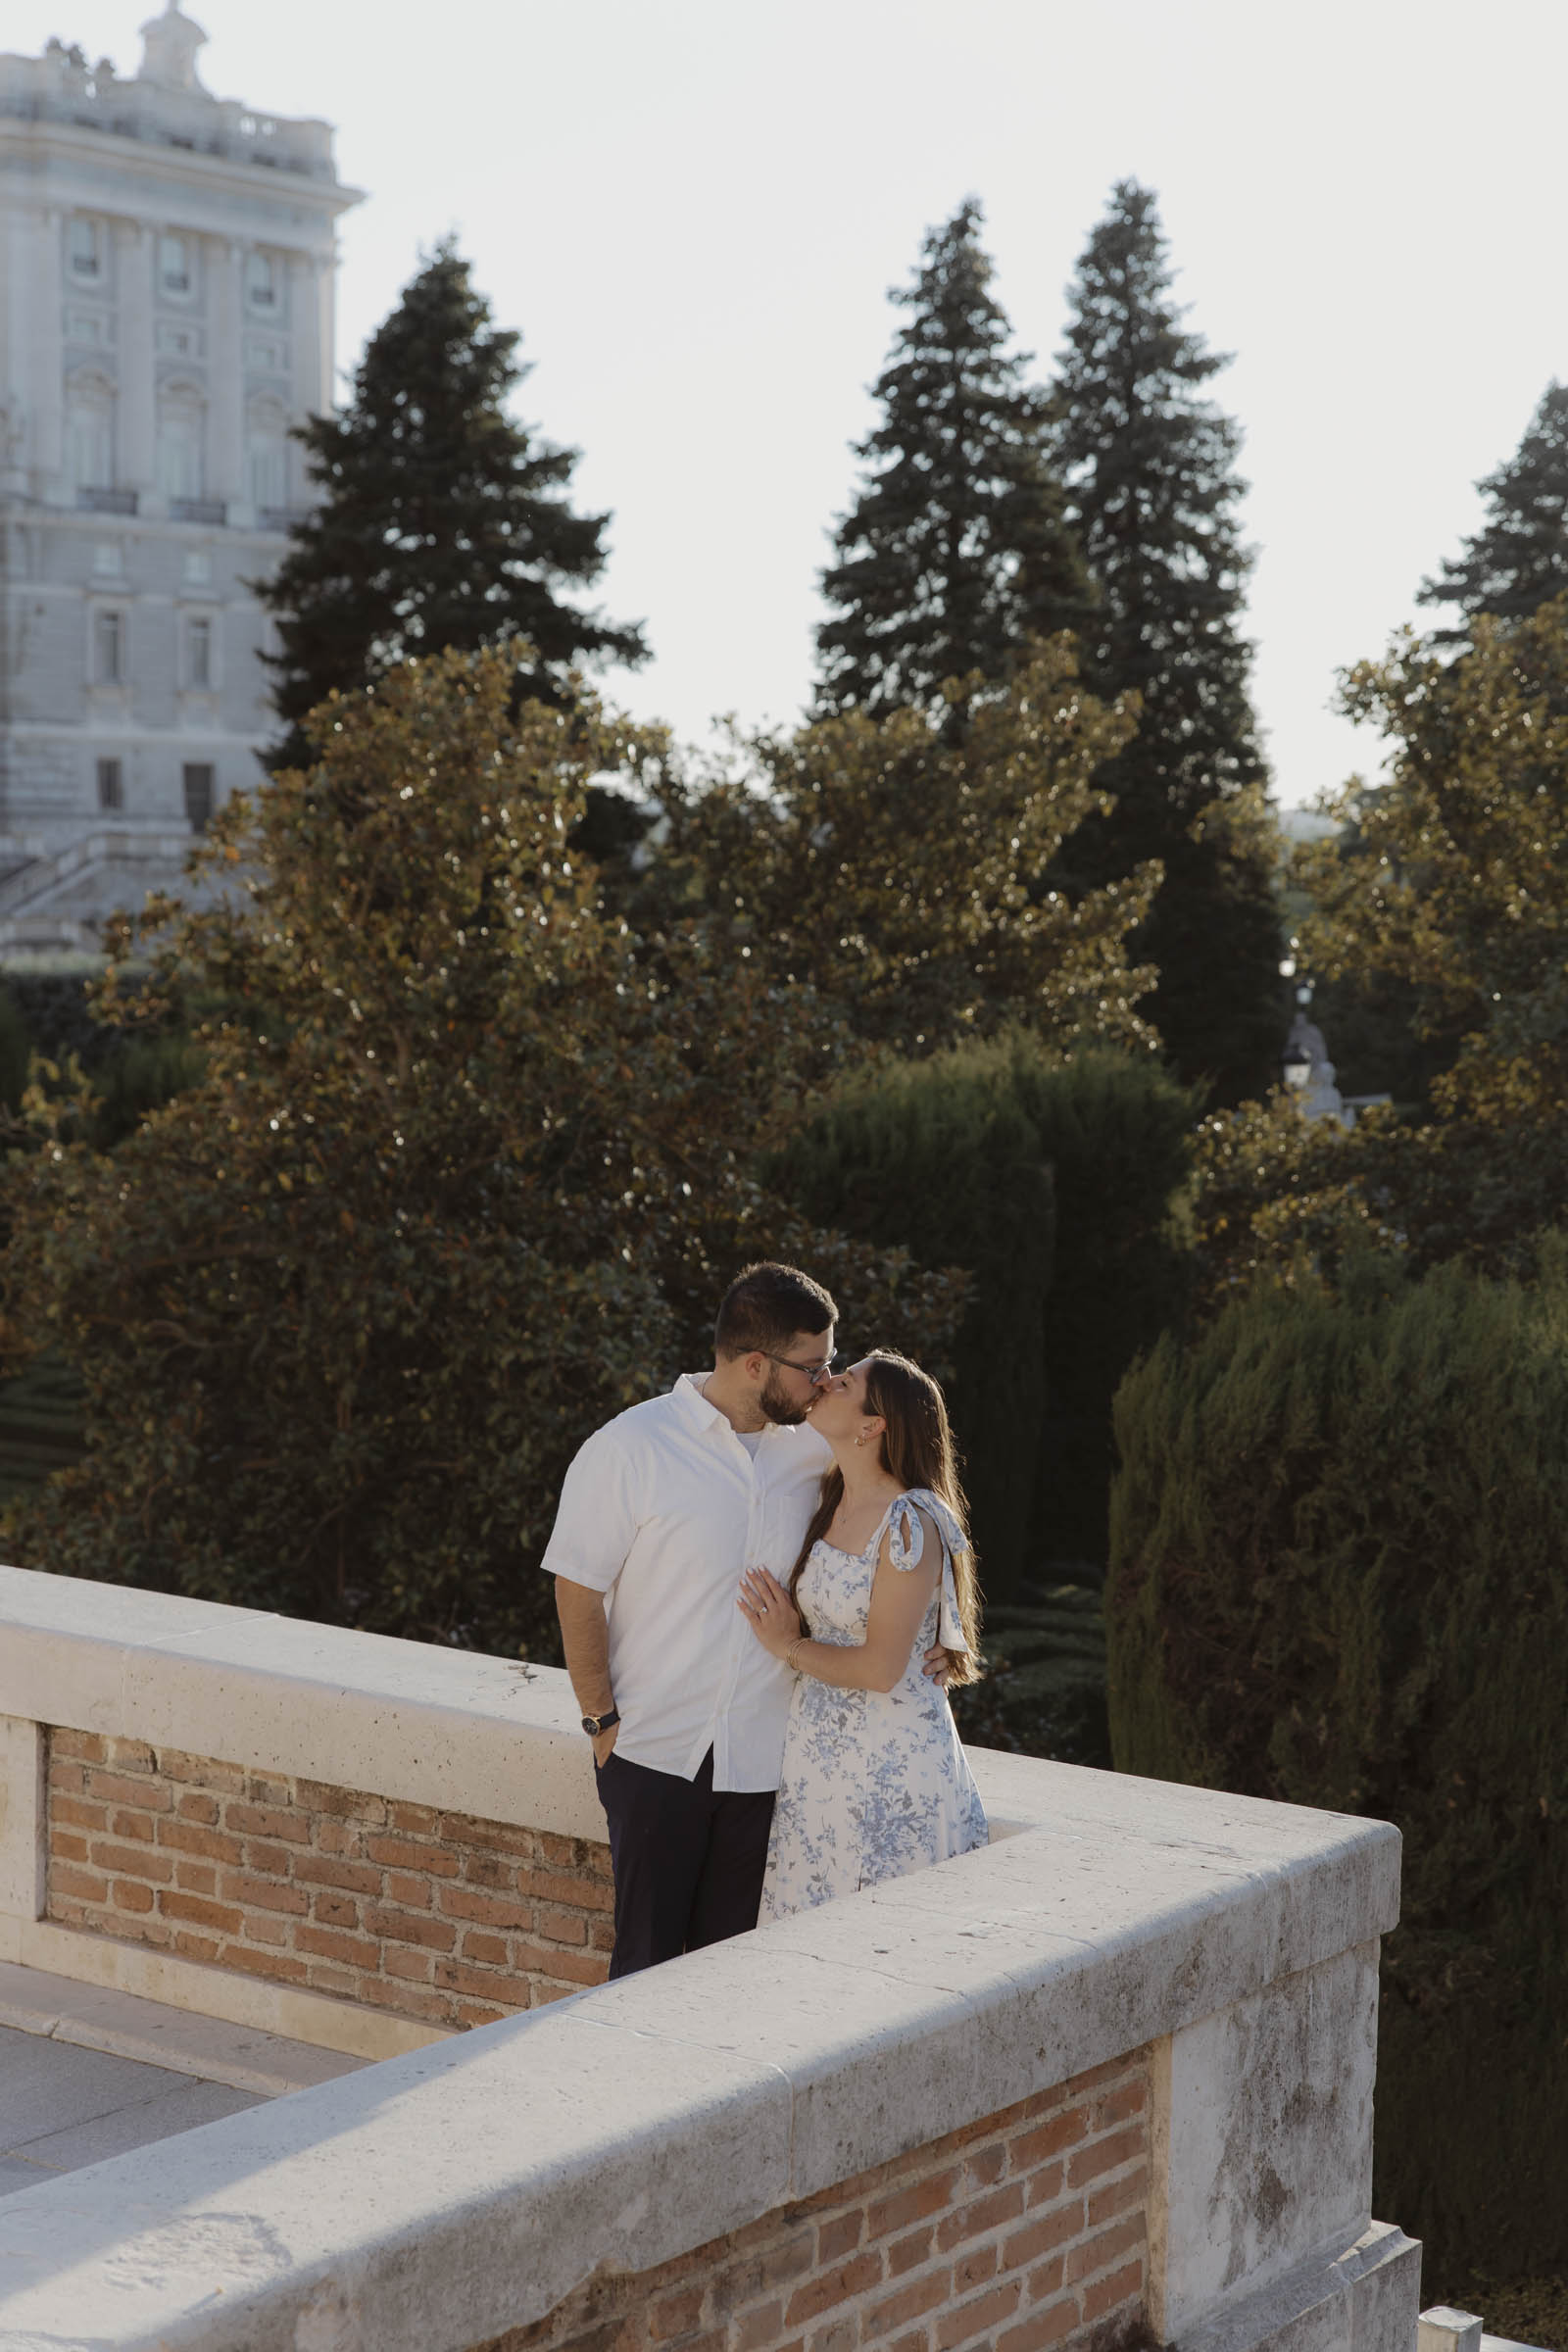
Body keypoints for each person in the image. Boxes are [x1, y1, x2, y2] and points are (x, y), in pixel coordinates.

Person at [544, 1263, 955, 1979]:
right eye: (814, 1366)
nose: (825, 1381)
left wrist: (940, 1635)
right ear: (757, 1363)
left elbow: (911, 1492)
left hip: (771, 1766)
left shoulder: (817, 1448)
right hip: (654, 1754)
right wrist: (600, 1722)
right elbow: (577, 1590)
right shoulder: (630, 1447)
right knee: (640, 1969)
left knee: (731, 1979)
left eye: (834, 1366)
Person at [737, 1349, 987, 1918]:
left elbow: (880, 1669)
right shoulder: (830, 1495)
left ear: (873, 1425)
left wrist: (788, 1647)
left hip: (888, 1766)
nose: (825, 1381)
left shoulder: (908, 1520)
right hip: (819, 1765)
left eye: (843, 1382)